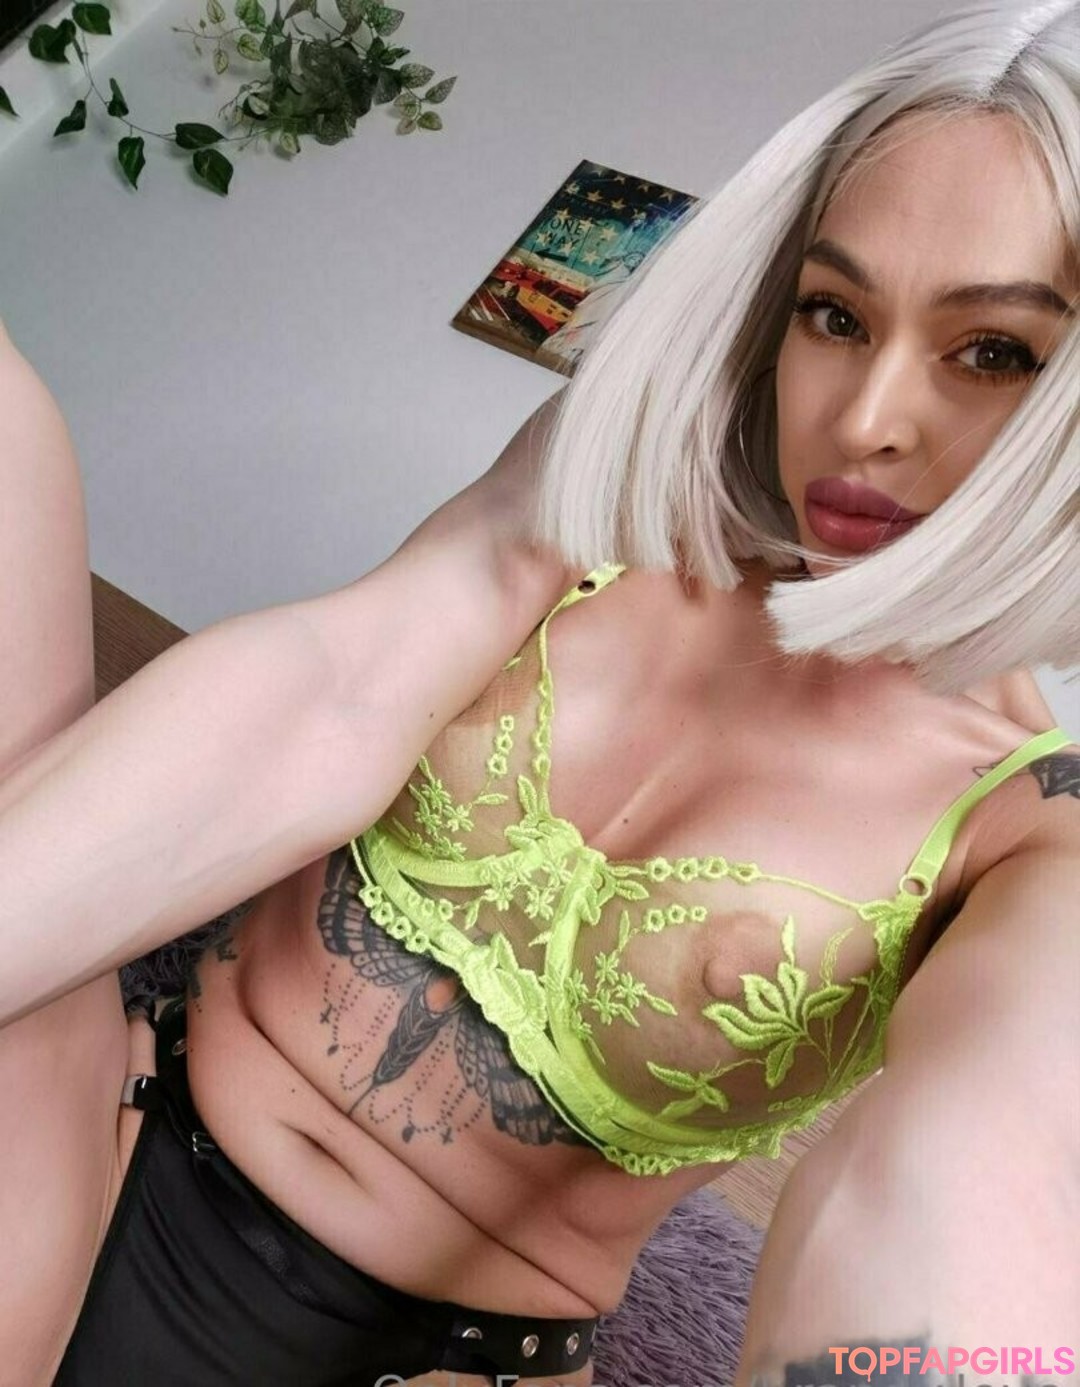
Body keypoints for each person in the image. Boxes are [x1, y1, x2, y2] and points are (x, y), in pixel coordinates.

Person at [1, 1, 1078, 1383]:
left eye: (995, 351)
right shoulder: (619, 491)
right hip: (110, 1143)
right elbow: (332, 694)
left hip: (440, 1354)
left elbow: (964, 1171)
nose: (865, 418)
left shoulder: (1036, 834)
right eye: (836, 314)